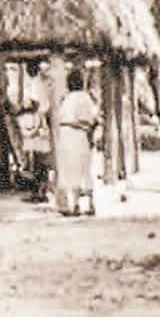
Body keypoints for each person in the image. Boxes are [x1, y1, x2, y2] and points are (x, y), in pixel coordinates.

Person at [57, 69, 101, 216]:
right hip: (79, 133)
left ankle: (74, 204)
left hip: (67, 134)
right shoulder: (84, 97)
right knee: (84, 169)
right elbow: (91, 118)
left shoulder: (67, 99)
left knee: (70, 169)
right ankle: (89, 203)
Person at [15, 62, 52, 203]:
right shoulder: (31, 84)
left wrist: (38, 120)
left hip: (38, 130)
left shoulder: (38, 85)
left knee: (39, 165)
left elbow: (39, 106)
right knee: (33, 165)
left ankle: (41, 191)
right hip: (33, 130)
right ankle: (37, 191)